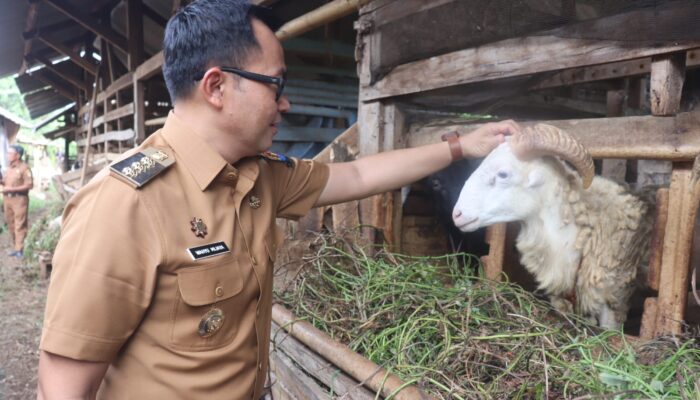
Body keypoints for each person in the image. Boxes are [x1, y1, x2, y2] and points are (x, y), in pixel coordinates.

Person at [36, 1, 520, 399]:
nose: (285, 103)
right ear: (217, 86)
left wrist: (459, 146)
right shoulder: (124, 204)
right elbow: (63, 384)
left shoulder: (260, 176)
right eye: (276, 85)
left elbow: (357, 174)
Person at [2, 144, 33, 258]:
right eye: (8, 153)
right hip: (7, 199)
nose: (8, 155)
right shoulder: (9, 168)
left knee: (19, 224)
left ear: (18, 155)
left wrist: (12, 189)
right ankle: (16, 246)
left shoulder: (24, 168)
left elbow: (29, 185)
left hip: (20, 199)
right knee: (11, 223)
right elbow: (6, 182)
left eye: (10, 153)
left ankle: (20, 249)